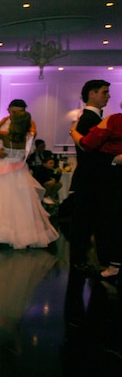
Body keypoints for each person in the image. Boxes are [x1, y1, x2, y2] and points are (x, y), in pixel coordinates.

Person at [0, 108, 59, 249]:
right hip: (21, 172)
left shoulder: (5, 135)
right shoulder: (29, 137)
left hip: (3, 169)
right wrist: (28, 121)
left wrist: (5, 119)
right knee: (22, 204)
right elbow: (33, 130)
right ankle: (21, 234)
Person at [67, 79, 112, 274]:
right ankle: (79, 261)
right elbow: (92, 151)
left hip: (90, 178)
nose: (108, 96)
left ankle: (86, 260)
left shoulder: (88, 119)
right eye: (104, 92)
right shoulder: (89, 120)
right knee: (84, 223)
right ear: (92, 94)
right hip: (91, 179)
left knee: (88, 222)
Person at [71, 112, 122, 280]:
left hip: (114, 176)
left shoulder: (114, 120)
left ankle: (114, 265)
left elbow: (87, 144)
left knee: (113, 220)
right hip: (112, 174)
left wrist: (73, 132)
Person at [0, 99, 35, 163]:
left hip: (20, 163)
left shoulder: (27, 127)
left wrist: (28, 152)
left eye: (20, 112)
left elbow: (32, 145)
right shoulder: (0, 126)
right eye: (14, 112)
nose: (16, 115)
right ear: (8, 111)